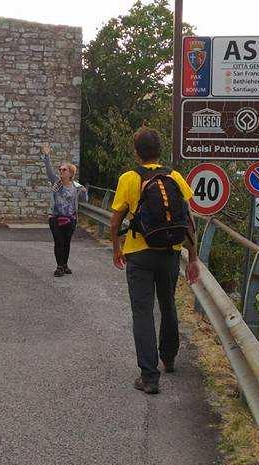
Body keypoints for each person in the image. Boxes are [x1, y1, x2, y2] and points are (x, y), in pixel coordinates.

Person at [109, 127, 201, 395]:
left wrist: (117, 248)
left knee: (143, 312)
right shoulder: (175, 177)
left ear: (136, 152)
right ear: (159, 149)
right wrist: (192, 258)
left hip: (139, 253)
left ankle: (149, 377)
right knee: (168, 304)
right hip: (170, 252)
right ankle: (169, 358)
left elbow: (115, 219)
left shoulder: (129, 178)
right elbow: (189, 220)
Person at [41, 143, 87, 277]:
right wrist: (47, 155)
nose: (61, 171)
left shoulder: (76, 187)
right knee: (59, 241)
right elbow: (49, 171)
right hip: (56, 218)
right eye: (60, 169)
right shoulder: (57, 183)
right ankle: (59, 266)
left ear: (71, 173)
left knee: (66, 242)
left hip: (71, 219)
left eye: (64, 170)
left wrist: (84, 192)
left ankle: (65, 264)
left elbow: (84, 200)